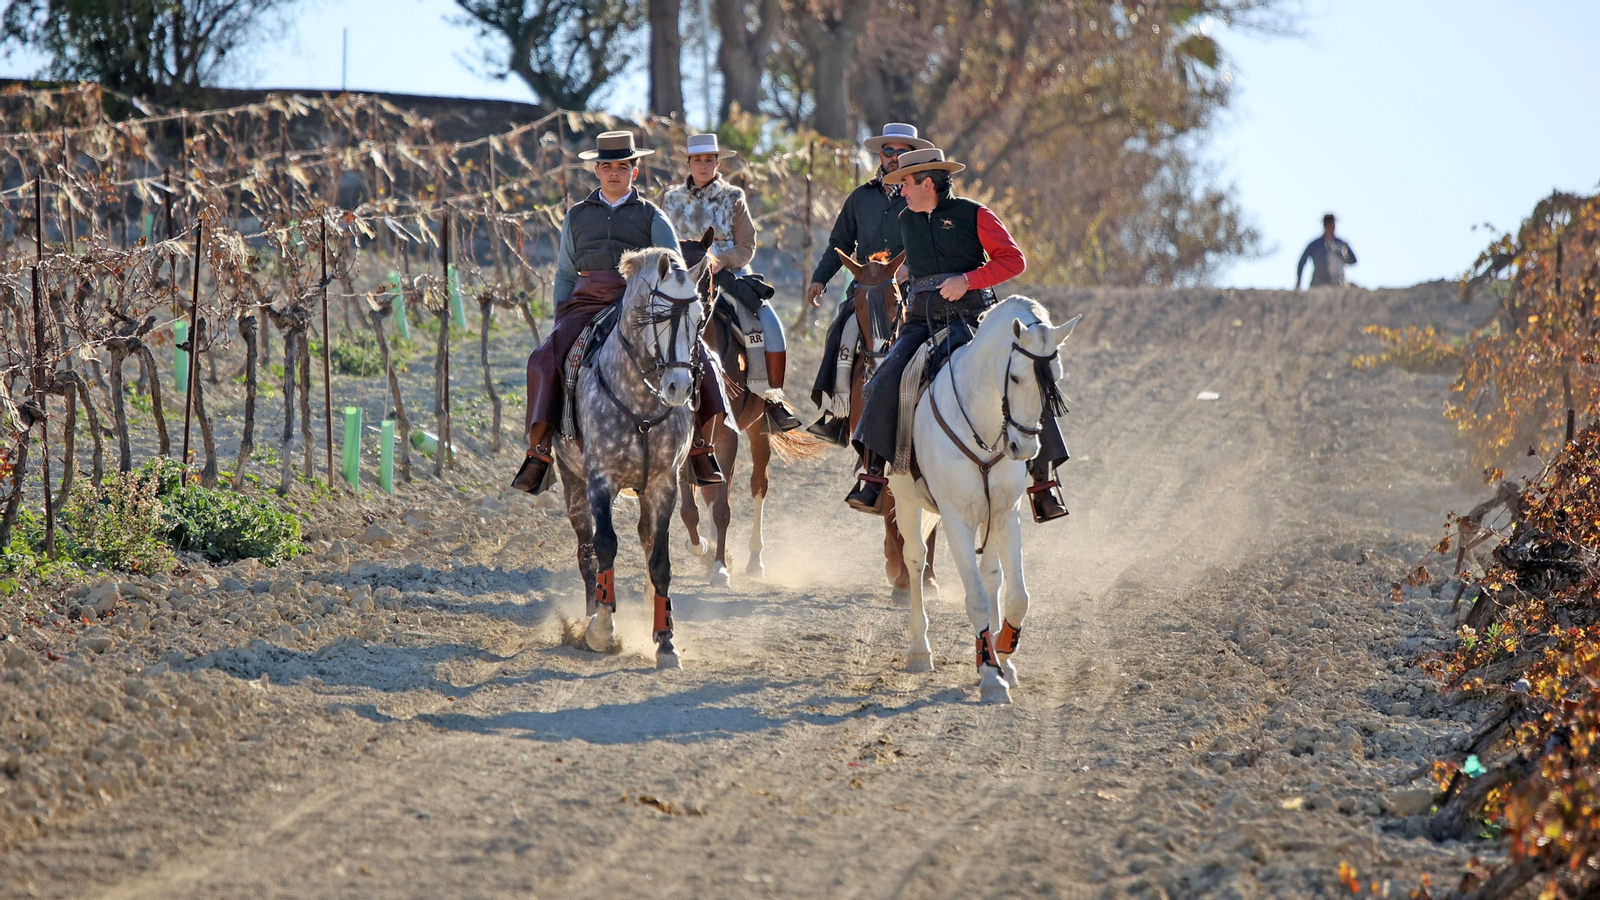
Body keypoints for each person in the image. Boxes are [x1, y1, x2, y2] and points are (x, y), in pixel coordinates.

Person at [844, 148, 1069, 523]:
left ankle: (1043, 484)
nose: (900, 191)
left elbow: (1014, 260)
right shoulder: (904, 219)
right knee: (882, 378)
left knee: (1027, 375)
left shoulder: (975, 214)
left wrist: (968, 280)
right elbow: (907, 266)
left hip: (974, 318)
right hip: (920, 321)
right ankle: (872, 475)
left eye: (906, 184)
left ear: (927, 183)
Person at [512, 131, 726, 494]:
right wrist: (562, 318)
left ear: (635, 172)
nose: (614, 173)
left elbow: (672, 268)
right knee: (543, 358)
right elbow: (565, 273)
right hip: (587, 302)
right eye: (607, 166)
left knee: (701, 356)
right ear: (596, 170)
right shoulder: (576, 216)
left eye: (622, 166)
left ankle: (700, 448)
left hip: (641, 305)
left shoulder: (652, 216)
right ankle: (540, 451)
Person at [659, 133, 799, 431]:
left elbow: (748, 245)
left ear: (718, 163)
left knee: (770, 327)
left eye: (709, 159)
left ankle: (772, 401)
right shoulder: (670, 199)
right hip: (682, 280)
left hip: (728, 275)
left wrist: (722, 260)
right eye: (698, 159)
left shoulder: (733, 197)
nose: (703, 165)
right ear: (689, 163)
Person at [807, 123, 933, 413]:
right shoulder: (860, 198)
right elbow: (839, 242)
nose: (895, 157)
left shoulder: (925, 196)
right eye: (889, 151)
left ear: (913, 155)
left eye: (903, 151)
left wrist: (911, 269)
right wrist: (820, 279)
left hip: (914, 291)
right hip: (865, 291)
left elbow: (935, 243)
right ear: (880, 155)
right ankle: (838, 412)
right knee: (841, 333)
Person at [1295, 213, 1358, 289]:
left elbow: (1354, 260)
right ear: (1324, 225)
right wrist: (1299, 281)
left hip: (1338, 283)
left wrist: (1342, 257)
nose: (1331, 227)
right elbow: (1302, 262)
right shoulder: (1315, 244)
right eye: (1328, 224)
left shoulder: (1341, 244)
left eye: (1332, 224)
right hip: (1318, 283)